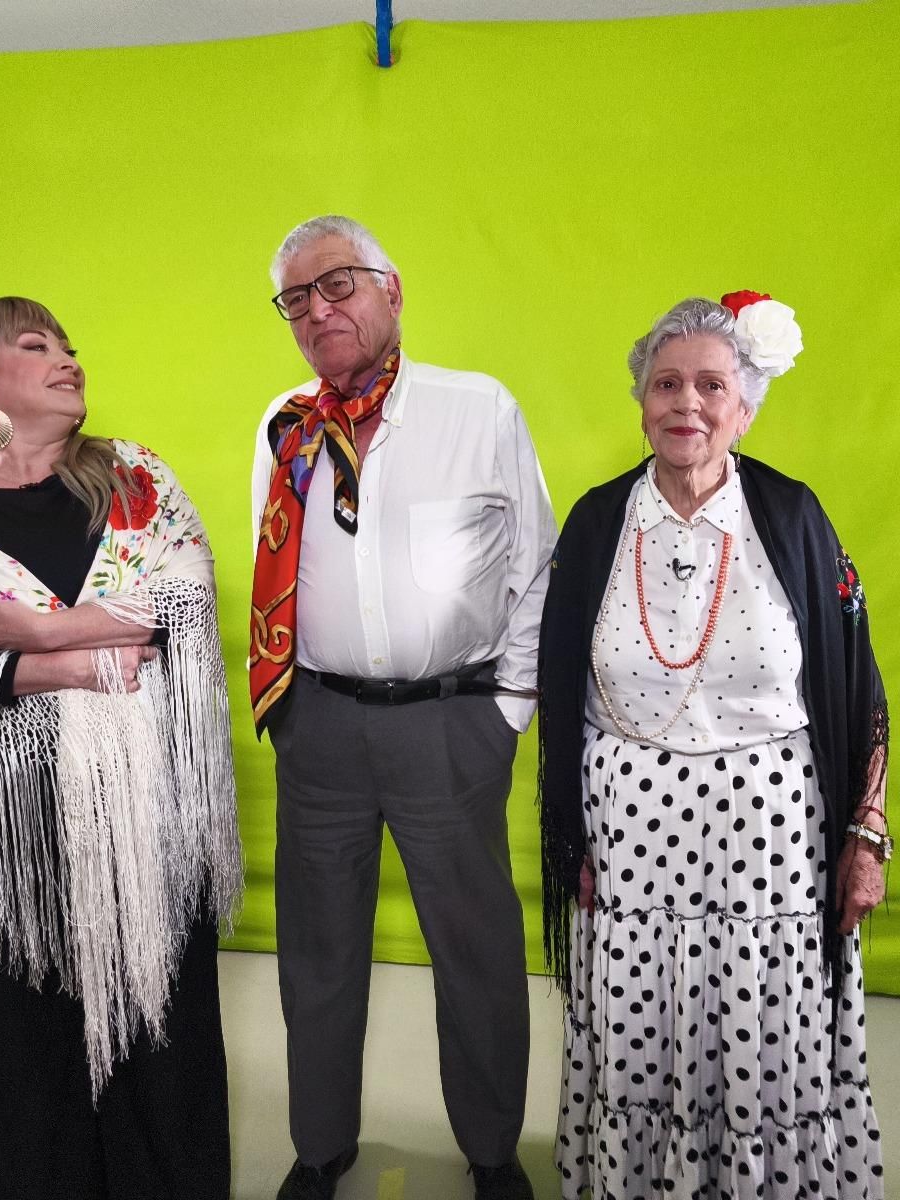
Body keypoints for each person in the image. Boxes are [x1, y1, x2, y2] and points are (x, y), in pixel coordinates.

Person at [0, 297, 243, 1200]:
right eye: (37, 347)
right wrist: (71, 664)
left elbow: (184, 601)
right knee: (28, 1040)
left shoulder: (132, 477)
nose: (68, 360)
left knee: (162, 1027)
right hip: (6, 818)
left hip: (147, 800)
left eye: (70, 346)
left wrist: (27, 632)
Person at [537, 294, 889, 1199]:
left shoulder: (793, 516)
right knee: (636, 1040)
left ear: (746, 405)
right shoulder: (596, 522)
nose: (684, 403)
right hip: (631, 839)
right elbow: (562, 692)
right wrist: (568, 836)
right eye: (665, 383)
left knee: (759, 1037)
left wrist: (867, 836)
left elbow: (862, 691)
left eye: (709, 385)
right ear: (641, 401)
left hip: (770, 842)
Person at [248, 216, 556, 1200]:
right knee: (317, 951)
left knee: (475, 949)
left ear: (391, 288)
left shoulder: (479, 409)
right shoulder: (284, 425)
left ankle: (492, 1151)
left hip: (451, 725)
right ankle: (320, 1146)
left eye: (336, 284)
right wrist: (291, 706)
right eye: (295, 298)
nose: (317, 310)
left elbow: (536, 563)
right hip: (320, 727)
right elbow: (275, 568)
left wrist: (506, 707)